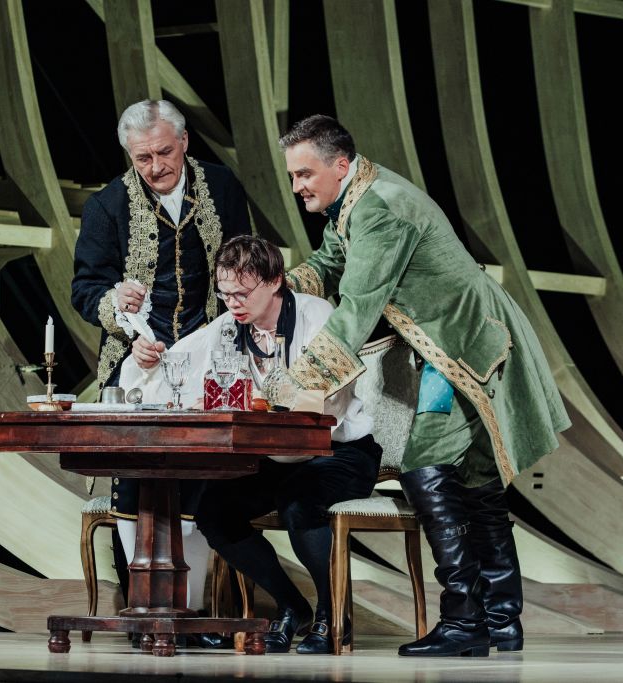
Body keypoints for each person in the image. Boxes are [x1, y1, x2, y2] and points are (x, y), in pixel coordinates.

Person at [266, 115, 571, 657]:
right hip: (451, 347)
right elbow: (331, 263)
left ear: (340, 164)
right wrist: (275, 289)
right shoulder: (354, 199)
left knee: (424, 466)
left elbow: (356, 309)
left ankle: (464, 621)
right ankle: (500, 619)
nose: (297, 187)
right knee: (477, 480)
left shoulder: (378, 209)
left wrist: (293, 386)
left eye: (304, 174)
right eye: (293, 176)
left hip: (462, 346)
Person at [120, 235, 382, 654]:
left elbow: (329, 399)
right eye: (225, 295)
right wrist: (145, 358)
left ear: (275, 281)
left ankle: (333, 615)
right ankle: (291, 605)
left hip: (339, 451)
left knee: (299, 501)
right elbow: (177, 362)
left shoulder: (317, 315)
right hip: (278, 456)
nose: (233, 304)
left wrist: (266, 398)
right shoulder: (229, 326)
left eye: (242, 294)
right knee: (214, 512)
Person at [71, 100, 251, 646]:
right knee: (137, 481)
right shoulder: (107, 206)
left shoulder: (222, 186)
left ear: (185, 142)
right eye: (142, 158)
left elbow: (248, 259)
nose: (155, 167)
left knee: (200, 482)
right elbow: (85, 289)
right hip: (137, 362)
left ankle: (190, 614)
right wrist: (114, 301)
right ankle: (143, 613)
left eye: (164, 153)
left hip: (210, 358)